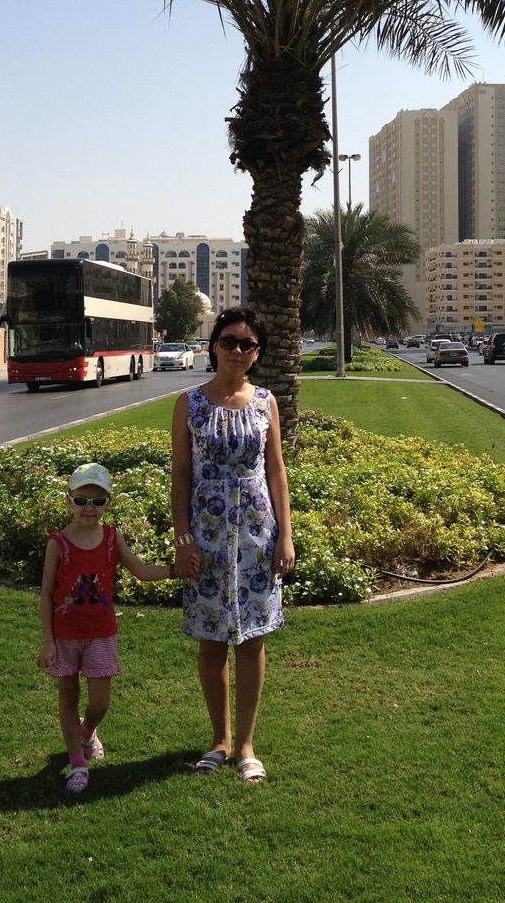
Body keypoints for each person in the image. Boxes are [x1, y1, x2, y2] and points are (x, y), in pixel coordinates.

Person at [171, 306, 295, 784]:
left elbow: (276, 469)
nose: (238, 351)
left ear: (257, 353)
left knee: (252, 639)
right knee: (210, 640)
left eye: (248, 344)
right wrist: (182, 539)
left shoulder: (265, 401)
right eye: (229, 341)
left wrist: (285, 534)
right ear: (213, 345)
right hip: (205, 536)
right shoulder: (190, 403)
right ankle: (219, 740)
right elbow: (181, 474)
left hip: (256, 537)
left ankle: (245, 744)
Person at [37, 461, 176, 794]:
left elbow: (141, 571)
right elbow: (45, 594)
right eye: (82, 500)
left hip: (101, 633)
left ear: (108, 503)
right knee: (68, 698)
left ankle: (87, 732)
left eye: (98, 501)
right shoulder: (58, 543)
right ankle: (77, 764)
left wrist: (178, 570)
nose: (89, 508)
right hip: (66, 635)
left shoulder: (113, 538)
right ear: (68, 500)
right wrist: (48, 641)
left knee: (100, 704)